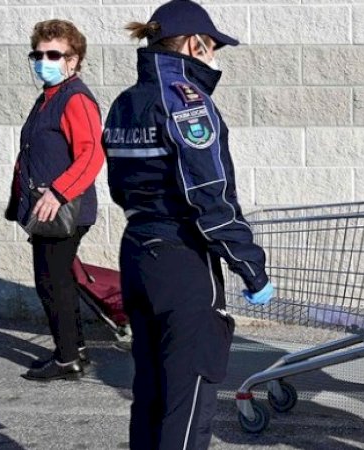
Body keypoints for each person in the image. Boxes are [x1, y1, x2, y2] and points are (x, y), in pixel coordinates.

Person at [103, 1, 273, 448]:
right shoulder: (187, 101)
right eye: (213, 46)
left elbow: (120, 186)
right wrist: (250, 265)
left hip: (137, 252)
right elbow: (209, 196)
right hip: (182, 261)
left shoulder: (125, 102)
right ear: (195, 44)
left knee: (150, 394)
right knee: (188, 400)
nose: (214, 56)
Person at [5, 19, 105, 381]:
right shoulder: (47, 97)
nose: (43, 60)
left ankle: (67, 360)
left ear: (73, 59)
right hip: (45, 206)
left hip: (64, 208)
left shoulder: (74, 97)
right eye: (38, 53)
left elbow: (92, 154)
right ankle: (73, 352)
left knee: (51, 281)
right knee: (57, 280)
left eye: (53, 54)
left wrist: (58, 192)